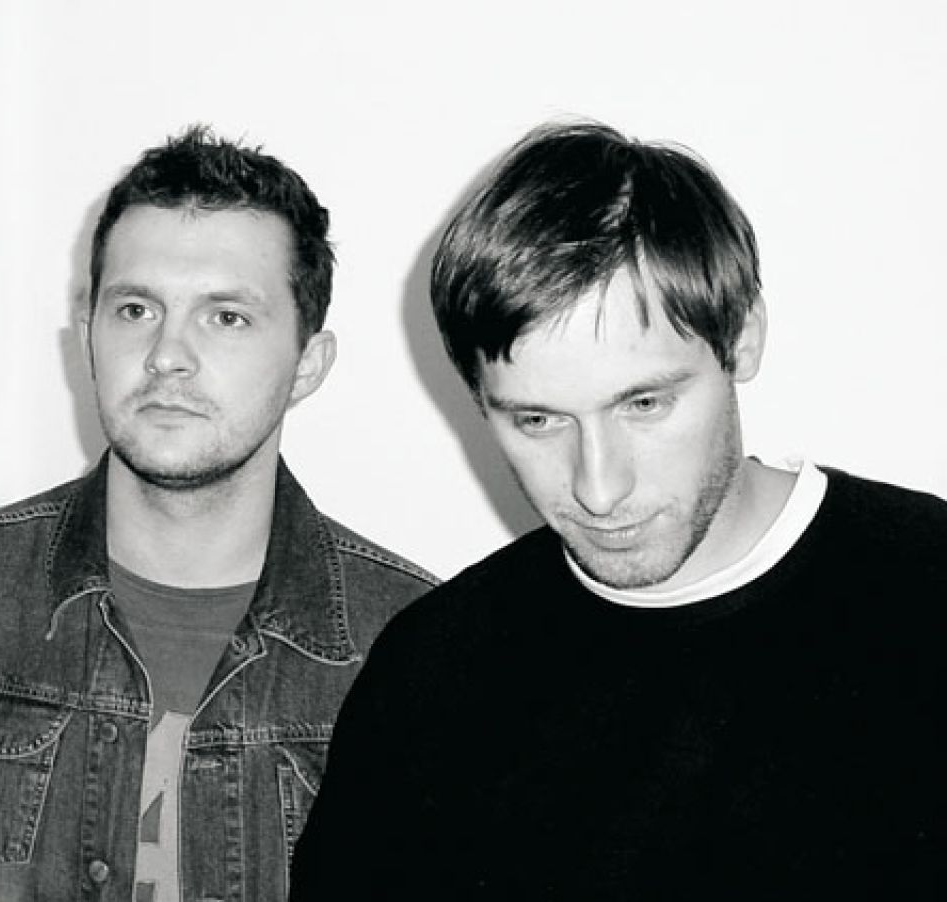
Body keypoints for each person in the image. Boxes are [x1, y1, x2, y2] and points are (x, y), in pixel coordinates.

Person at [290, 121, 947, 898]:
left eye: (644, 404)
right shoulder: (433, 669)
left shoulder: (924, 591)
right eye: (539, 421)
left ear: (741, 339)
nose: (598, 489)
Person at [0, 125, 438, 901]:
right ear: (87, 336)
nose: (167, 354)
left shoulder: (413, 643)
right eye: (136, 309)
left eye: (226, 317)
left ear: (308, 363)